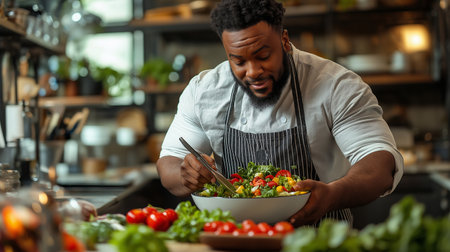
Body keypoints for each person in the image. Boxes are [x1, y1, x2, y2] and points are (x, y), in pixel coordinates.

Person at [156, 0, 404, 227]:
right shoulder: (205, 91)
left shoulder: (336, 85)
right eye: (239, 62)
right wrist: (185, 174)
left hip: (320, 239)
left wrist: (332, 195)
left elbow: (379, 164)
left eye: (263, 56)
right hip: (236, 239)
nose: (253, 71)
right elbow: (169, 164)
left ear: (285, 40)